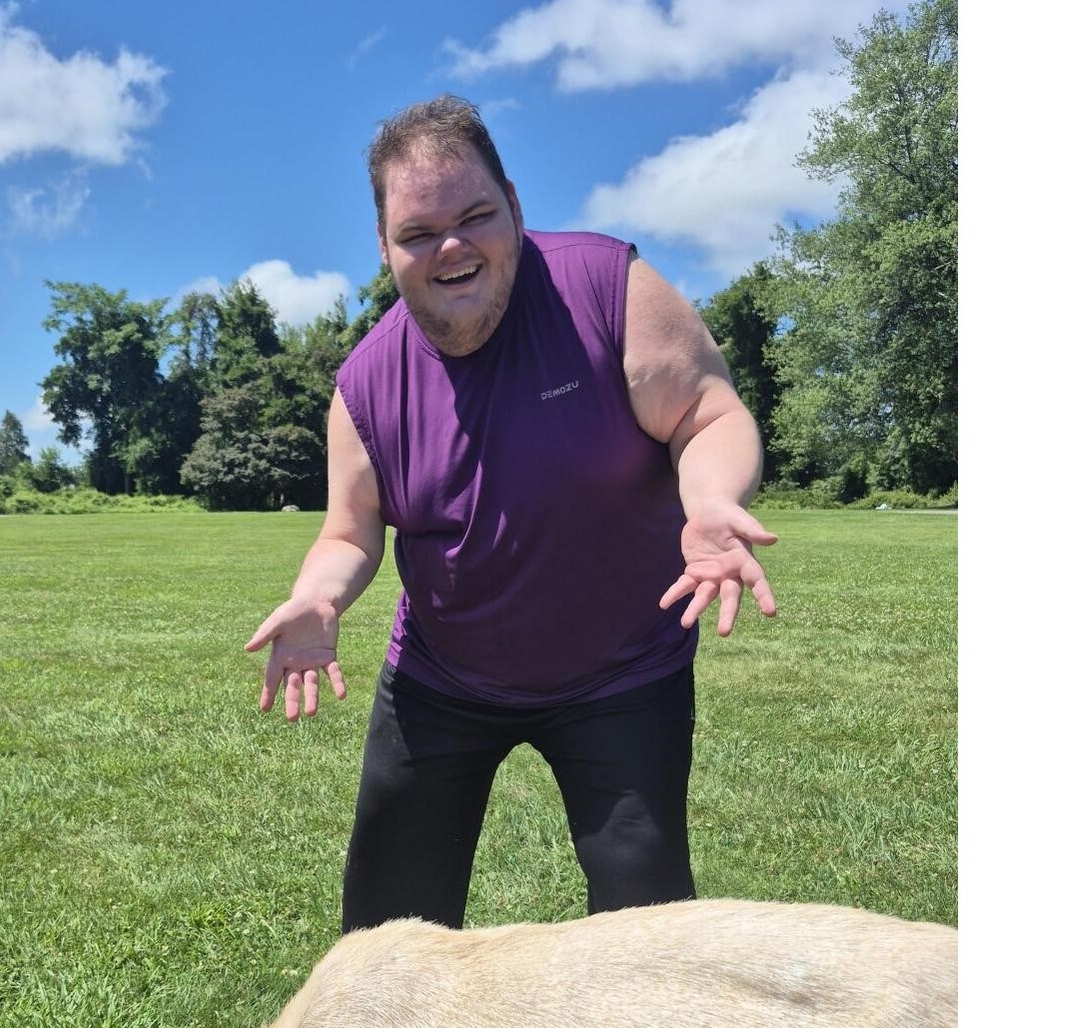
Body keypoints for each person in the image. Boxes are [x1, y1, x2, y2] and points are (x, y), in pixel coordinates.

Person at [244, 95, 780, 934]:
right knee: (384, 941)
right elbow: (348, 531)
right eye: (418, 233)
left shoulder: (605, 289)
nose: (451, 248)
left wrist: (711, 499)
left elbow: (708, 413)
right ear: (384, 246)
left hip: (622, 674)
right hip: (443, 683)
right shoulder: (365, 387)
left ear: (516, 207)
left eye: (475, 217)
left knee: (649, 940)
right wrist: (319, 596)